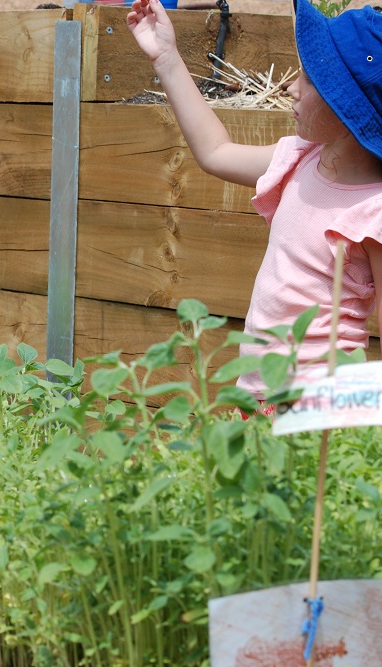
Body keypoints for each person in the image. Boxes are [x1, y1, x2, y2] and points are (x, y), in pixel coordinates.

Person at [127, 0, 382, 403]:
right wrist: (167, 58)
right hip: (257, 395)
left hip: (317, 406)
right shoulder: (302, 159)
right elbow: (215, 151)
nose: (290, 87)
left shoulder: (373, 211)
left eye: (310, 79)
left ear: (348, 108)